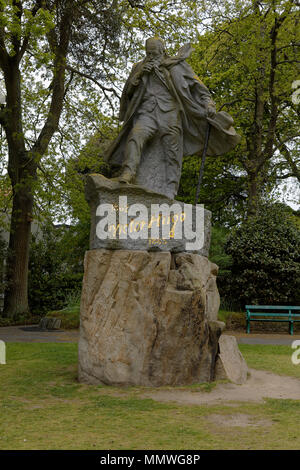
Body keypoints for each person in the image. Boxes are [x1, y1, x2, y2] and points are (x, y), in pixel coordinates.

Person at [105, 37, 240, 199]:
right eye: (148, 53)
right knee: (136, 135)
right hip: (146, 112)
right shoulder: (138, 67)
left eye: (154, 53)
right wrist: (140, 75)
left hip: (169, 113)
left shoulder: (177, 65)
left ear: (162, 50)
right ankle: (128, 173)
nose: (151, 56)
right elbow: (128, 93)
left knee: (172, 150)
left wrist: (208, 104)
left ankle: (170, 188)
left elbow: (199, 87)